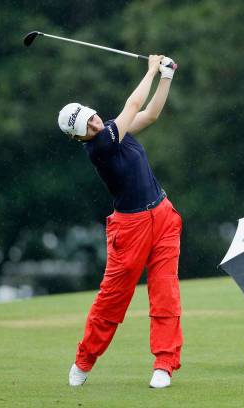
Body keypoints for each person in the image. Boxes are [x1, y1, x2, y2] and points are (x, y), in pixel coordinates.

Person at [57, 55, 182, 389]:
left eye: (93, 117)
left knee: (165, 291)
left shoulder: (116, 128)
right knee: (113, 299)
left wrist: (166, 76)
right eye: (87, 126)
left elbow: (151, 113)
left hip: (164, 216)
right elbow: (134, 102)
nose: (95, 124)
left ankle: (164, 364)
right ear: (79, 137)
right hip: (130, 228)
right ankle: (84, 360)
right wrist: (151, 70)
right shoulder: (99, 146)